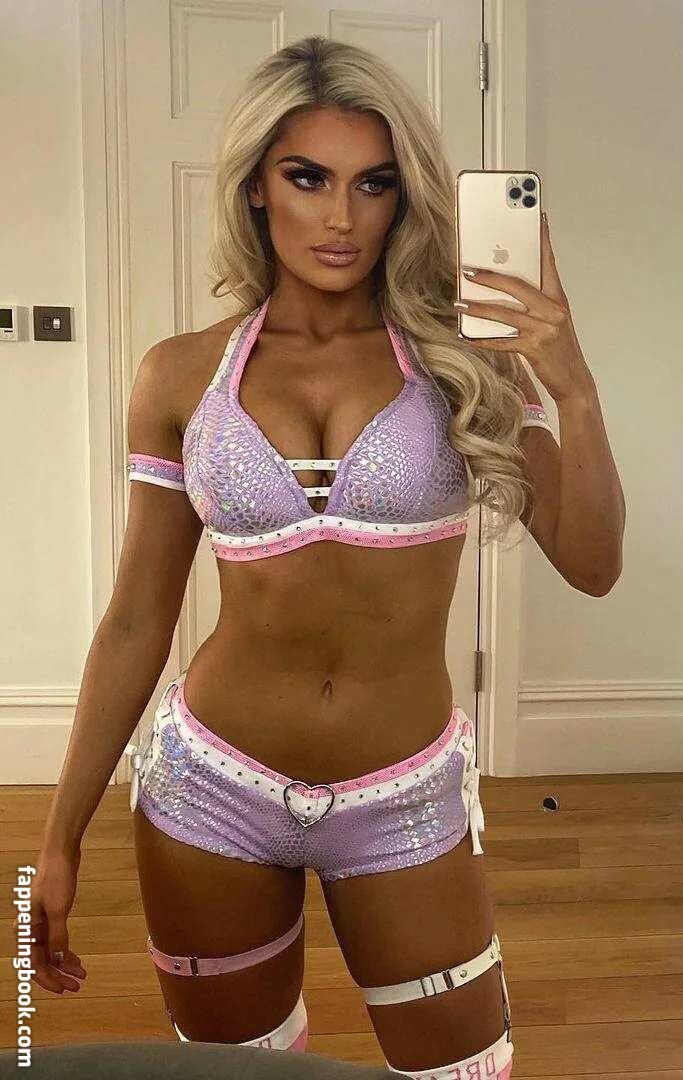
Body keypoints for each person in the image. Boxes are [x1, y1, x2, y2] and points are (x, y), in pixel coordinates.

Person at [19, 35, 621, 1080]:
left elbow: (593, 563)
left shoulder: (465, 364)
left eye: (373, 184)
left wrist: (574, 390)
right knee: (239, 1071)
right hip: (210, 789)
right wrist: (59, 835)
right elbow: (137, 618)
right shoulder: (181, 376)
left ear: (405, 197)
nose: (342, 217)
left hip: (404, 795)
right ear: (257, 186)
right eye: (309, 179)